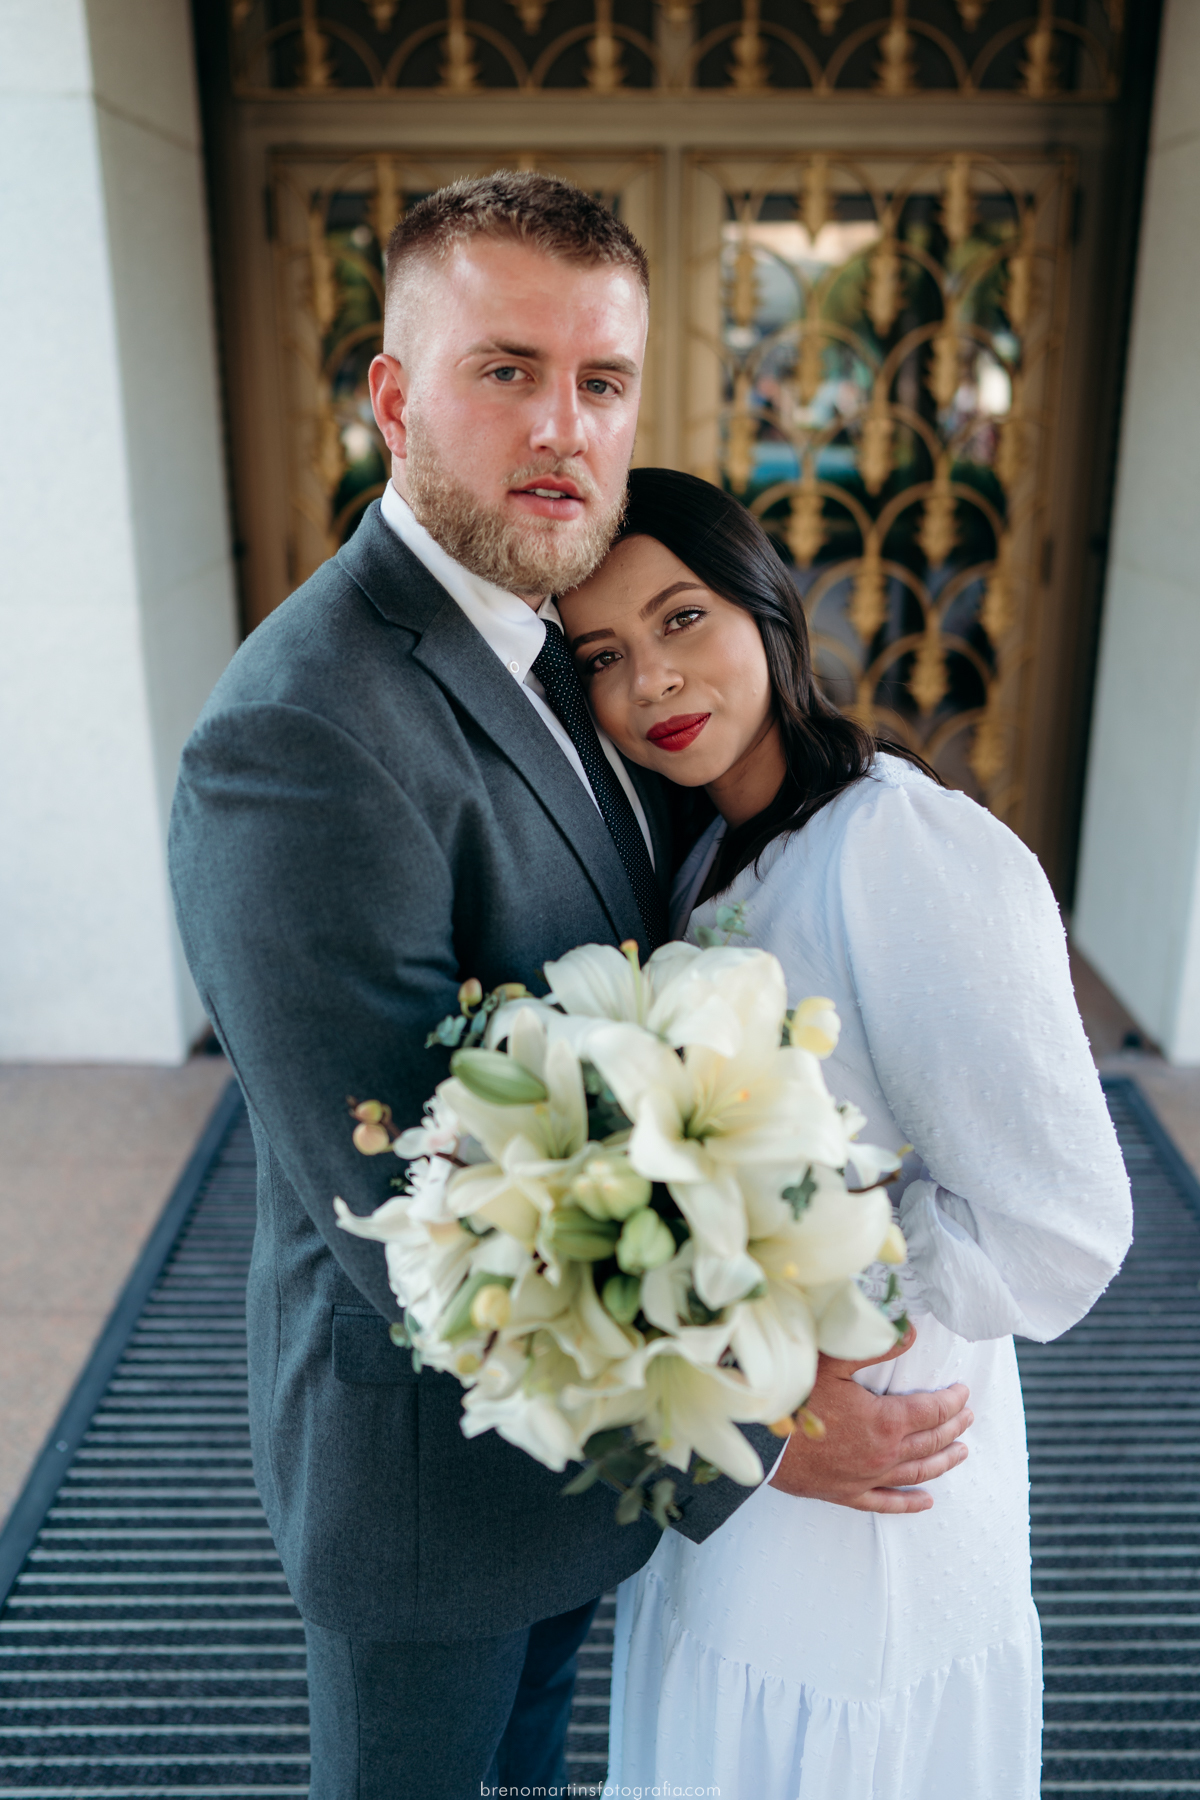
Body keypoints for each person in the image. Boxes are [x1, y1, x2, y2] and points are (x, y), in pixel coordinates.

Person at [168, 175, 972, 1800]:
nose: (564, 428)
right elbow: (409, 1215)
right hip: (430, 1496)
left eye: (601, 383)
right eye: (507, 369)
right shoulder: (301, 736)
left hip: (582, 1473)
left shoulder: (568, 642)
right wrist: (770, 1427)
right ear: (395, 396)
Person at [557, 466, 1133, 1800]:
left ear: (767, 605)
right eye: (604, 655)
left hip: (881, 1439)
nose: (652, 681)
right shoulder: (704, 847)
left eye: (682, 618)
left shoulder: (902, 848)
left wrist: (807, 1264)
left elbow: (1060, 1229)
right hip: (758, 1432)